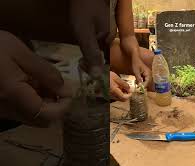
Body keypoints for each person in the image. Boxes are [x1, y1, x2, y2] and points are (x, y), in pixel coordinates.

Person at [0, 0, 153, 127]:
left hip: (96, 54)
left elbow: (128, 36)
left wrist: (135, 58)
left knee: (149, 60)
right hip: (42, 51)